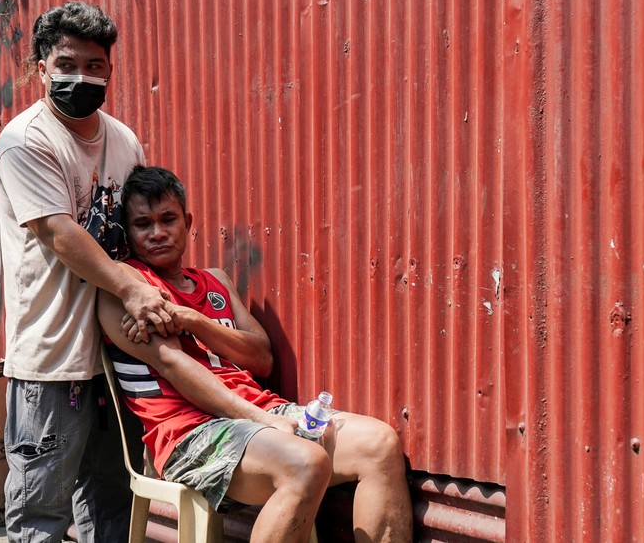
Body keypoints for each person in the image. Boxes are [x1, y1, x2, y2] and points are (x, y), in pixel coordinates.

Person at [98, 166, 413, 543]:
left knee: (380, 444)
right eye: (142, 224)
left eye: (168, 219)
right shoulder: (126, 286)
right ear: (128, 233)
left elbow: (261, 357)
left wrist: (196, 321)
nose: (157, 233)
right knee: (306, 464)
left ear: (188, 222)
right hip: (189, 434)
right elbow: (172, 363)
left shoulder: (215, 281)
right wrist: (260, 419)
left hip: (262, 414)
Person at [0, 2, 180, 542]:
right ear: (40, 66)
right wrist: (132, 288)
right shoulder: (26, 140)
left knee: (114, 501)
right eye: (68, 64)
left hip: (118, 352)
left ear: (110, 70)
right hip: (53, 358)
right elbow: (60, 234)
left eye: (96, 66)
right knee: (41, 509)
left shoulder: (123, 140)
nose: (83, 77)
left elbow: (141, 227)